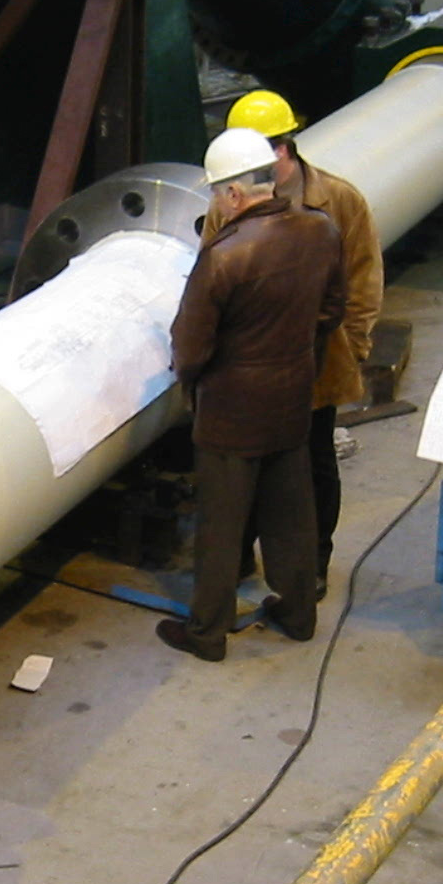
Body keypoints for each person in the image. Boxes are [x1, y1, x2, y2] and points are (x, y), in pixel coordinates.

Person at [159, 127, 347, 662]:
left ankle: (207, 634)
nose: (218, 204)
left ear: (235, 194)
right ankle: (298, 614)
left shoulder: (223, 256)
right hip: (292, 398)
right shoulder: (321, 230)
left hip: (231, 411)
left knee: (221, 525)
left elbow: (191, 345)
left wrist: (193, 379)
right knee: (291, 511)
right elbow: (333, 310)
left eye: (218, 193)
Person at [220, 89, 385, 600]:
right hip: (249, 365)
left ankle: (312, 565)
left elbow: (363, 280)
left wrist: (352, 348)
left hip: (316, 363)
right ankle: (241, 556)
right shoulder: (227, 197)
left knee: (313, 465)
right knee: (244, 464)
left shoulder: (339, 201)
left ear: (283, 149)